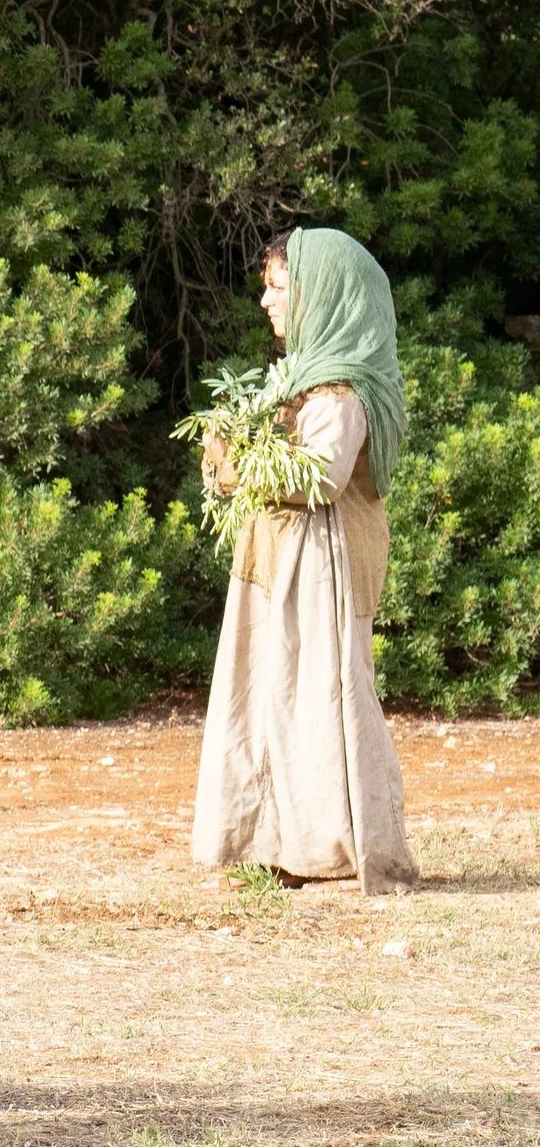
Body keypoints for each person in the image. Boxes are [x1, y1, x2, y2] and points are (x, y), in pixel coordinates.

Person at [194, 227, 416, 896]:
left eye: (279, 287)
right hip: (281, 562)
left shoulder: (341, 393)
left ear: (324, 297)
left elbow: (316, 478)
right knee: (270, 692)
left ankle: (330, 847)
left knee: (319, 694)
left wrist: (236, 465)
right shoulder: (301, 384)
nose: (266, 301)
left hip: (323, 570)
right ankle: (270, 840)